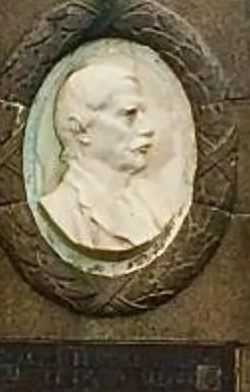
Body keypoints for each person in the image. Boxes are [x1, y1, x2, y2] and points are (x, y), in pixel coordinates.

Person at [38, 53, 176, 256]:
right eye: (129, 114)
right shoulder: (61, 211)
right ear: (80, 130)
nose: (148, 128)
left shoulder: (154, 202)